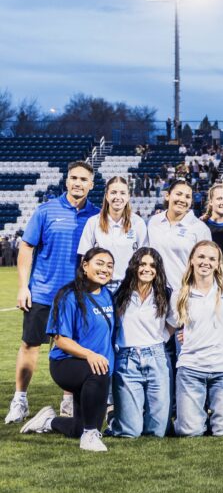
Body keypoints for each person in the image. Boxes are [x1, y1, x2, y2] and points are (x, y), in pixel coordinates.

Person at [6, 161, 99, 425]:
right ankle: (20, 400)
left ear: (91, 184)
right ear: (66, 181)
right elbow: (26, 248)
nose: (77, 183)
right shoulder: (46, 210)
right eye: (73, 178)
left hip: (77, 296)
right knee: (30, 345)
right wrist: (24, 286)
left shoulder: (96, 216)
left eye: (83, 179)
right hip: (44, 293)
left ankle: (68, 400)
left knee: (73, 350)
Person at [19, 247, 115, 452]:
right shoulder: (68, 296)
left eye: (109, 266)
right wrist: (90, 355)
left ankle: (49, 421)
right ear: (85, 265)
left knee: (77, 428)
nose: (105, 269)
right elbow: (61, 340)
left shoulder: (110, 295)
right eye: (99, 263)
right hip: (66, 364)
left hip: (95, 369)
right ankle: (90, 436)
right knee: (98, 370)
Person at [168, 240, 223, 437]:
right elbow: (172, 326)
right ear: (191, 260)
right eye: (200, 257)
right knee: (190, 432)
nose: (205, 262)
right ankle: (190, 419)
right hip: (191, 369)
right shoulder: (180, 293)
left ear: (218, 263)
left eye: (211, 258)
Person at [109, 248, 173, 438]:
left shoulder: (165, 294)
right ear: (134, 266)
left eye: (152, 266)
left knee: (158, 432)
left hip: (157, 357)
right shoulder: (119, 294)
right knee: (131, 432)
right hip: (127, 359)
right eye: (143, 264)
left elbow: (173, 322)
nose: (147, 269)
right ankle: (115, 418)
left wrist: (162, 339)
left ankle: (126, 414)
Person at [147, 178, 212, 292]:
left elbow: (207, 265)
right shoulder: (154, 222)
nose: (182, 199)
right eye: (178, 194)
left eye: (187, 197)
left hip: (185, 294)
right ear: (167, 196)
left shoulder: (200, 228)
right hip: (155, 293)